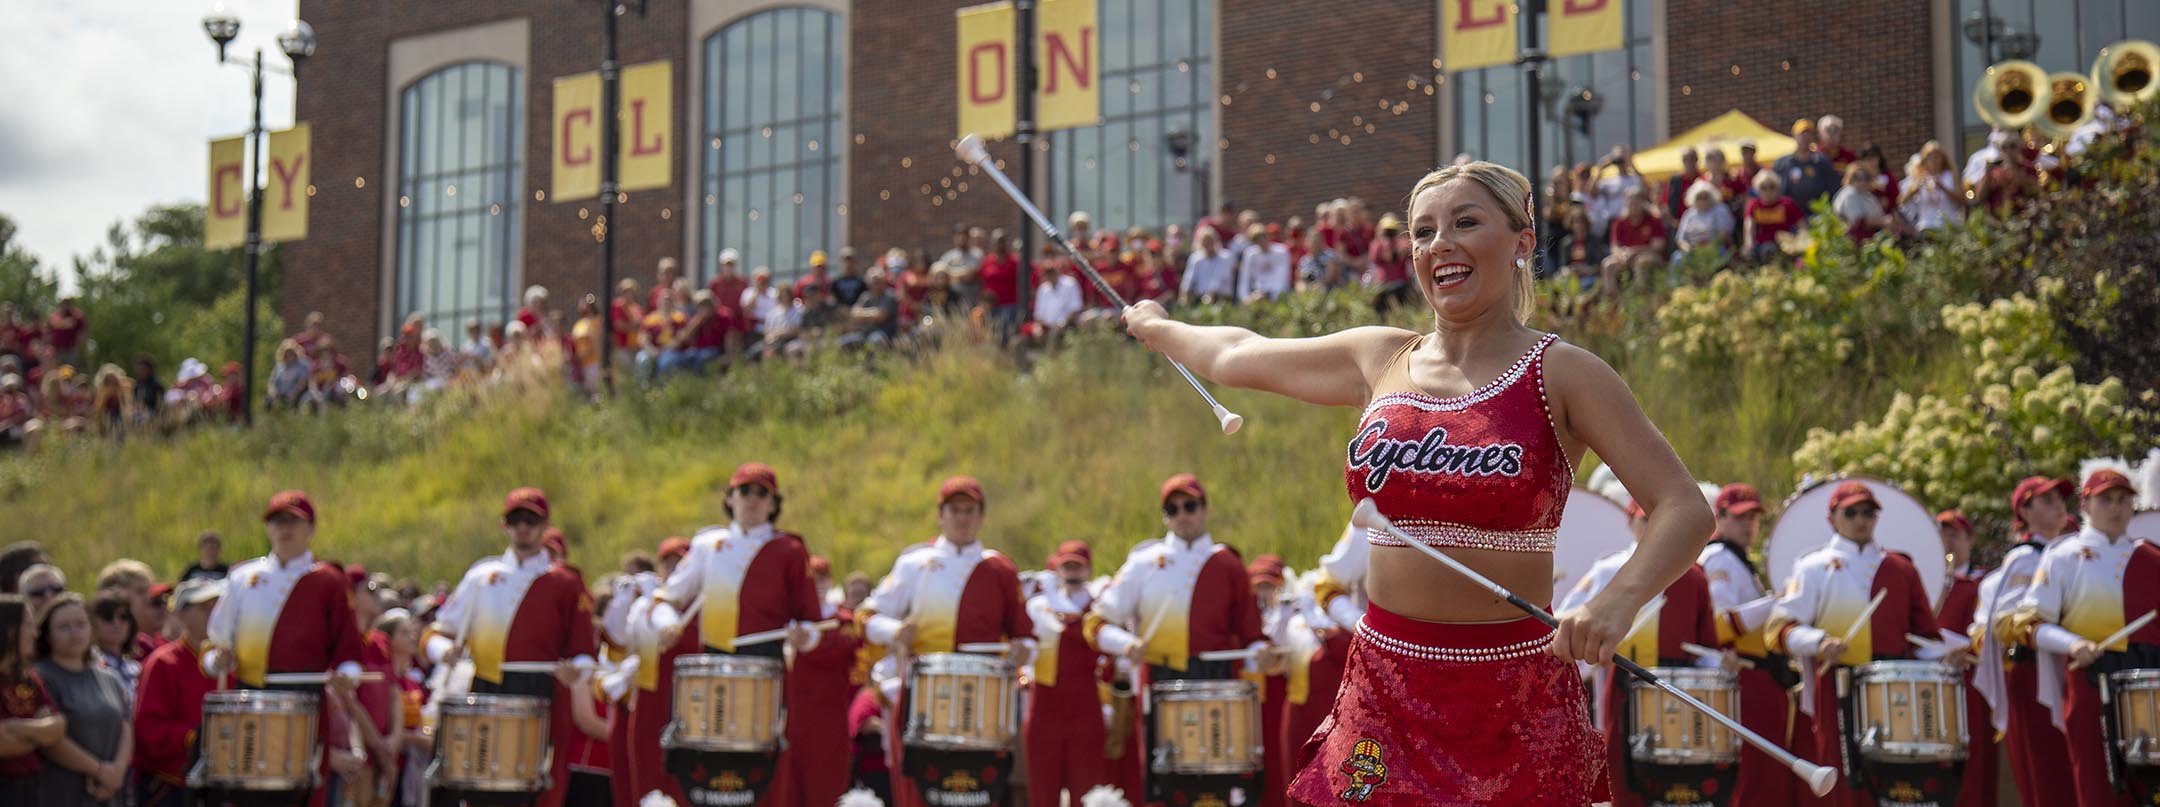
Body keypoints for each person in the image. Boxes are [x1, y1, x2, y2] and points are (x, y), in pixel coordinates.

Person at [1123, 160, 1713, 803]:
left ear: (1522, 243)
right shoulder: (1380, 357)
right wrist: (1159, 328)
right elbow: (1237, 354)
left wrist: (1618, 600)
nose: (1441, 245)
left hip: (1515, 697)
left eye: (1465, 222)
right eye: (1423, 231)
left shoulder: (1564, 373)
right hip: (1385, 690)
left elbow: (1683, 508)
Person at [1765, 481, 1972, 807]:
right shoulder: (1813, 566)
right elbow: (1779, 629)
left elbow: (1923, 638)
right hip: (1839, 683)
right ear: (1832, 517)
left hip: (1895, 685)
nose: (1861, 518)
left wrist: (1948, 656)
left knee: (1896, 778)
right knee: (1845, 776)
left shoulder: (1901, 567)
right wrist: (1820, 642)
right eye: (1851, 512)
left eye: (1868, 512)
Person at [635, 463, 824, 807]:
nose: (752, 499)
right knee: (708, 766)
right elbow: (666, 597)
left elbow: (811, 623)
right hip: (714, 666)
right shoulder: (708, 544)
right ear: (731, 499)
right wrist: (665, 624)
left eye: (761, 493)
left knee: (759, 771)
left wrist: (803, 637)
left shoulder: (790, 550)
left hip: (765, 668)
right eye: (744, 491)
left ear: (773, 503)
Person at [1085, 473, 1270, 805]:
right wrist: (1126, 645)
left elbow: (1252, 637)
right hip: (1159, 683)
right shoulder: (1142, 563)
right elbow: (1096, 623)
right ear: (1164, 516)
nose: (1182, 514)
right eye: (1173, 508)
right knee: (1162, 783)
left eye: (1190, 505)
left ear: (1205, 510)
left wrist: (1264, 655)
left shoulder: (1228, 564)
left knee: (1217, 783)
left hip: (1216, 684)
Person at [859, 477, 1033, 807]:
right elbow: (867, 618)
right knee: (917, 793)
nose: (963, 518)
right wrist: (895, 631)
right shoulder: (914, 563)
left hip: (981, 702)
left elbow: (1026, 637)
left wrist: (1023, 650)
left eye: (970, 510)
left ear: (982, 517)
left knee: (979, 791)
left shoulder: (1000, 568)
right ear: (941, 515)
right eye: (955, 510)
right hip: (921, 696)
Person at [422, 487, 596, 807]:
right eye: (515, 519)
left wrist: (577, 672)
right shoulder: (481, 575)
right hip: (487, 688)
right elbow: (435, 632)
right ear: (505, 525)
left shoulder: (565, 581)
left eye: (531, 519)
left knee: (541, 786)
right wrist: (442, 650)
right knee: (482, 786)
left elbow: (585, 651)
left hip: (543, 690)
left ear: (545, 525)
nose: (523, 527)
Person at [201, 490, 370, 807]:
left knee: (301, 792)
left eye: (293, 520)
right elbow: (214, 645)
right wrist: (217, 659)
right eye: (277, 521)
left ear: (311, 528)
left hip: (304, 701)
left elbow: (347, 649)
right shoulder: (242, 576)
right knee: (245, 793)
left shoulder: (329, 580)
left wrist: (348, 675)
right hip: (249, 698)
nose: (284, 529)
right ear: (267, 528)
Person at [1557, 497, 1723, 807]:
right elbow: (1567, 617)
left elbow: (1706, 646)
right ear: (1629, 522)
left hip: (1678, 690)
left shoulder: (1694, 576)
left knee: (1679, 781)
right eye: (1644, 519)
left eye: (1658, 521)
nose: (1652, 528)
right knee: (1624, 774)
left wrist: (1720, 662)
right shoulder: (1609, 568)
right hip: (1623, 684)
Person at [2007, 470, 2150, 807]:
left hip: (2147, 683)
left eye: (2123, 499)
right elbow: (2030, 624)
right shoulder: (2063, 555)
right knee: (2096, 784)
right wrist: (2073, 644)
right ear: (2086, 505)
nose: (2116, 508)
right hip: (2090, 683)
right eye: (2106, 499)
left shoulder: (2151, 558)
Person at [1975, 476, 2079, 805]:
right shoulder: (2024, 559)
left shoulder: (2070, 552)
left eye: (2059, 498)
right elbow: (2005, 624)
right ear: (2026, 511)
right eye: (2046, 500)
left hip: (2072, 668)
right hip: (2033, 674)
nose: (2058, 505)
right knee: (2047, 775)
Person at [1694, 483, 1795, 807]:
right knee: (1755, 774)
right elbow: (1723, 624)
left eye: (1753, 517)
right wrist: (1777, 601)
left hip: (1759, 677)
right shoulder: (1719, 559)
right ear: (1719, 518)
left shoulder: (1737, 560)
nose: (1748, 524)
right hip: (1745, 677)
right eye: (1739, 517)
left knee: (1765, 773)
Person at [775, 554, 866, 807]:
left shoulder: (843, 621)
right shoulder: (786, 621)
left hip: (828, 722)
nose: (815, 584)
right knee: (787, 794)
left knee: (825, 793)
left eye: (821, 578)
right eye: (809, 580)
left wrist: (809, 641)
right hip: (791, 721)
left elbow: (840, 650)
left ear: (830, 582)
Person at [1025, 541, 1110, 807]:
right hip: (1045, 707)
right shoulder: (1039, 605)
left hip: (1085, 708)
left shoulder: (1100, 609)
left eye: (1078, 567)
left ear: (1088, 570)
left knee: (1086, 792)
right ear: (1057, 569)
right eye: (1067, 566)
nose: (1073, 573)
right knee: (1042, 791)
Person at [32, 593, 132, 806]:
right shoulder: (40, 678)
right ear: (47, 635)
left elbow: (125, 726)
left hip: (111, 792)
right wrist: (100, 771)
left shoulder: (109, 678)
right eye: (64, 627)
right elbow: (48, 739)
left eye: (80, 624)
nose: (74, 633)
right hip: (63, 794)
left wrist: (117, 772)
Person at [132, 578, 222, 807]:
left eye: (217, 605)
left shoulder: (230, 663)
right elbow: (147, 728)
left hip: (219, 786)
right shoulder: (163, 663)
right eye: (203, 607)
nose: (213, 613)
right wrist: (193, 737)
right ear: (180, 615)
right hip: (172, 786)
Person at [1933, 510, 1996, 807]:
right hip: (1934, 682)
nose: (1946, 543)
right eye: (1941, 535)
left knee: (1976, 761)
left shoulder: (1984, 582)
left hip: (1972, 682)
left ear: (1969, 541)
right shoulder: (1928, 584)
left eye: (1954, 535)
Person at [0, 594, 69, 804]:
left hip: (31, 789)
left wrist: (14, 727)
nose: (35, 632)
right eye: (29, 624)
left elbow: (58, 727)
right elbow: (2, 743)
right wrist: (39, 734)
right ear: (10, 629)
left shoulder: (28, 677)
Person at [1600, 189, 1668, 295]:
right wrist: (1621, 255)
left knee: (1642, 262)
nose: (1633, 206)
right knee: (1608, 264)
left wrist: (1635, 251)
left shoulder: (1653, 221)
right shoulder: (1619, 223)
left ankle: (1640, 298)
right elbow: (1614, 247)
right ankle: (1613, 301)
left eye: (1636, 203)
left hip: (1649, 256)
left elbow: (1658, 246)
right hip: (1626, 258)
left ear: (1643, 203)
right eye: (1631, 203)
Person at [85, 593, 139, 704]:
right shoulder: (89, 665)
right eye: (107, 617)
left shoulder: (136, 668)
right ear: (92, 624)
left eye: (123, 616)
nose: (116, 622)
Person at [1774, 119, 1840, 210]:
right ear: (1794, 136)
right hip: (1791, 216)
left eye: (1808, 133)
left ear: (1813, 136)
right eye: (1801, 133)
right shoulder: (1783, 163)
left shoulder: (1822, 161)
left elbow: (1833, 187)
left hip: (1818, 214)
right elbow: (1778, 191)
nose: (1804, 137)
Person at [1742, 171, 1802, 263]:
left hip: (1785, 244)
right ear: (1757, 189)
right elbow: (1749, 227)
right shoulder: (1753, 205)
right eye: (1763, 187)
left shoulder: (1787, 203)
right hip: (1761, 246)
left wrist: (1801, 243)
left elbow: (1802, 226)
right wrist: (1749, 246)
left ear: (1778, 188)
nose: (1768, 191)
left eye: (1772, 186)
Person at [1831, 163, 1891, 242]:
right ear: (1850, 178)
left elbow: (1881, 215)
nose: (1862, 182)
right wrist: (1883, 222)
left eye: (1865, 178)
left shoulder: (1868, 195)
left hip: (1873, 237)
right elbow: (1859, 221)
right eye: (1856, 178)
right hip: (1854, 241)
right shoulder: (1850, 193)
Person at [1181, 228, 1237, 303]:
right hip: (1200, 299)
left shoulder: (1226, 257)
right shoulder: (1195, 258)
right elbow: (1188, 280)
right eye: (1205, 242)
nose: (1207, 245)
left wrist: (1211, 295)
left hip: (1222, 299)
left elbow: (1221, 277)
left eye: (1210, 241)